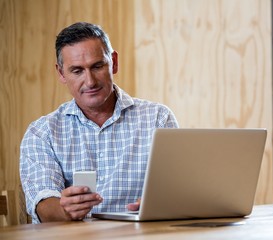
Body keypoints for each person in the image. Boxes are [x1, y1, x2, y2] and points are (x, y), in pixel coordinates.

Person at [19, 22, 179, 224]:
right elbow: (42, 205)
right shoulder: (41, 133)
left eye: (97, 66)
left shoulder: (158, 118)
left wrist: (162, 204)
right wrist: (64, 209)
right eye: (77, 71)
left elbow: (175, 191)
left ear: (113, 62)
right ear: (61, 73)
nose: (90, 82)